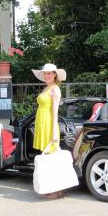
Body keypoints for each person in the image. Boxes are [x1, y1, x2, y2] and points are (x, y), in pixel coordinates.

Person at [31, 63, 66, 199]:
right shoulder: (47, 88)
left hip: (48, 124)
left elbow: (55, 112)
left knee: (52, 159)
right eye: (45, 73)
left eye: (49, 73)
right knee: (48, 158)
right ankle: (53, 188)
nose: (47, 75)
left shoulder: (55, 89)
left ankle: (57, 190)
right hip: (42, 124)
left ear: (55, 74)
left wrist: (54, 132)